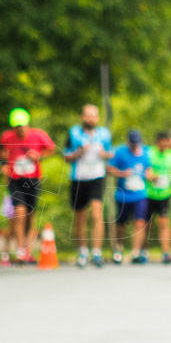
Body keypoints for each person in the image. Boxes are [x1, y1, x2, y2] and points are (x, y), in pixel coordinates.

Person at [0, 108, 57, 265]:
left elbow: (51, 149)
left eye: (22, 126)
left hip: (32, 179)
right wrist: (3, 164)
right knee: (19, 212)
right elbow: (1, 152)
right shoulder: (7, 137)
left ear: (27, 124)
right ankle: (20, 249)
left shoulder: (38, 135)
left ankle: (28, 250)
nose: (20, 129)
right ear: (13, 127)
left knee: (30, 215)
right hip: (15, 178)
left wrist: (38, 156)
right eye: (17, 126)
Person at [64, 104, 113, 268]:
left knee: (97, 214)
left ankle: (97, 252)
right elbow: (66, 156)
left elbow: (110, 154)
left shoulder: (104, 134)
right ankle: (82, 251)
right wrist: (79, 152)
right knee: (80, 216)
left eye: (94, 115)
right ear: (82, 117)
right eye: (88, 115)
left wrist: (104, 154)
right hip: (78, 177)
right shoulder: (74, 133)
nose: (91, 118)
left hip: (97, 176)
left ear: (97, 118)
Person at [107, 129, 153, 265]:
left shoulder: (145, 152)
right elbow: (109, 168)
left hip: (140, 193)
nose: (135, 146)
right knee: (121, 224)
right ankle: (118, 248)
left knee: (140, 223)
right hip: (123, 194)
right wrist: (121, 173)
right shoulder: (120, 152)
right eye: (132, 144)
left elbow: (148, 168)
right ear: (128, 142)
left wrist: (149, 175)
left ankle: (136, 252)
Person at [145, 132, 171, 265]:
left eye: (167, 142)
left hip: (164, 194)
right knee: (147, 224)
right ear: (158, 142)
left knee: (164, 222)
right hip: (149, 193)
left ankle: (166, 252)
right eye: (163, 142)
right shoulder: (149, 153)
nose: (165, 145)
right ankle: (144, 250)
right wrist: (153, 176)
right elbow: (145, 170)